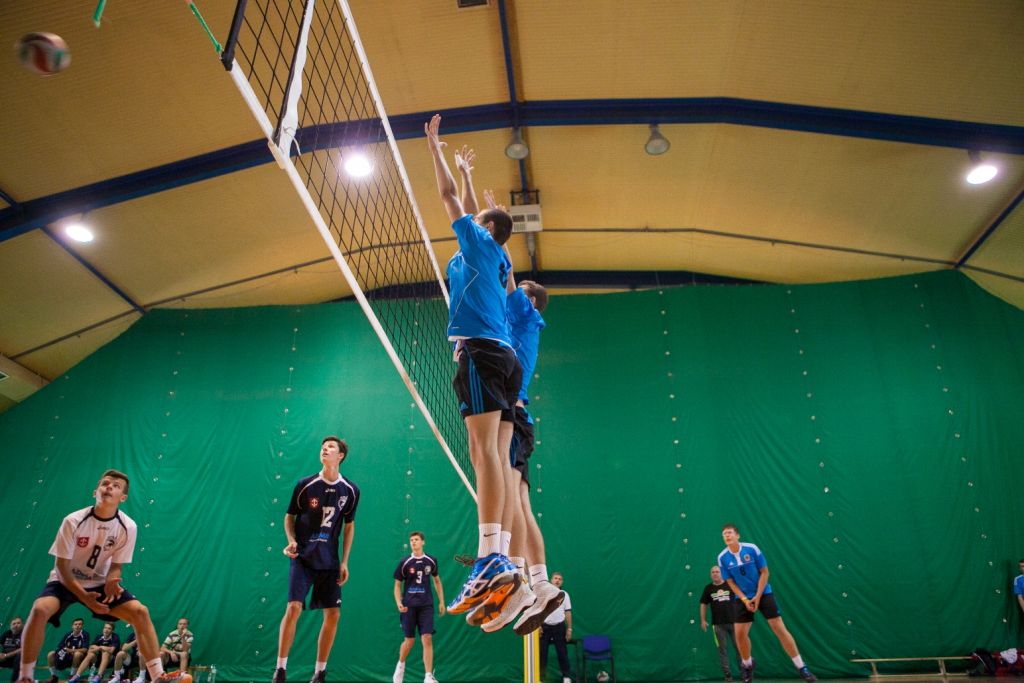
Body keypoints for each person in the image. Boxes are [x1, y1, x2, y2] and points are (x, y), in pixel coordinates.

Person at [449, 157, 564, 636]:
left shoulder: (519, 312)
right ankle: (530, 581)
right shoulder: (522, 319)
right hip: (516, 400)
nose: (514, 285)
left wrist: (492, 231)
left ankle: (514, 574)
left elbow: (506, 273)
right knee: (516, 496)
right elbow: (498, 261)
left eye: (522, 288)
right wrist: (475, 191)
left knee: (503, 479)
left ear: (529, 299)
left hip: (505, 390)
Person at [424, 114, 521, 618]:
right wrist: (469, 177)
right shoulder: (496, 257)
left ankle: (489, 558)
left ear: (486, 230)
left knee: (484, 455)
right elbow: (476, 212)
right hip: (499, 355)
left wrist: (434, 149)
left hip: (481, 352)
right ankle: (499, 556)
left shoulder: (482, 246)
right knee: (493, 457)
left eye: (480, 218)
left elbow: (447, 199)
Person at [15, 470, 190, 683]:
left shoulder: (128, 526)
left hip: (98, 583)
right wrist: (84, 596)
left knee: (140, 612)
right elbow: (61, 567)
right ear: (95, 491)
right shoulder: (73, 520)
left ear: (123, 497)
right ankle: (25, 676)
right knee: (39, 609)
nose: (109, 487)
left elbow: (116, 566)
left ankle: (157, 676)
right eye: (105, 483)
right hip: (66, 580)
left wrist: (111, 580)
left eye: (116, 486)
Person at [272, 437, 359, 683]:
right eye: (323, 447)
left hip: (329, 560)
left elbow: (349, 526)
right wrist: (291, 540)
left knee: (333, 614)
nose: (324, 449)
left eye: (330, 447)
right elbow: (289, 517)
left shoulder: (351, 490)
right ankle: (280, 669)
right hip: (303, 557)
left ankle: (320, 672)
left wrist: (345, 561)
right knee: (293, 607)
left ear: (340, 456)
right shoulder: (305, 485)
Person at [717, 525, 816, 683]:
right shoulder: (722, 557)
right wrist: (745, 599)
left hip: (763, 593)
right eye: (724, 534)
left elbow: (765, 572)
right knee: (740, 634)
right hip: (742, 598)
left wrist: (757, 596)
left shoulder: (752, 549)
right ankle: (747, 665)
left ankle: (801, 667)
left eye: (729, 533)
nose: (727, 536)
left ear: (737, 535)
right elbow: (730, 582)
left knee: (779, 628)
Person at [391, 532, 444, 683]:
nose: (413, 542)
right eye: (411, 540)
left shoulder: (431, 560)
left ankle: (428, 676)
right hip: (409, 606)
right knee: (409, 641)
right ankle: (400, 666)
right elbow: (397, 585)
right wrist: (398, 602)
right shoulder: (405, 562)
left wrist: (441, 601)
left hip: (426, 605)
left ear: (423, 542)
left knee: (427, 638)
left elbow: (437, 581)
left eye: (416, 540)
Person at [700, 566, 739, 681]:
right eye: (713, 572)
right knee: (722, 649)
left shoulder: (730, 584)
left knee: (740, 648)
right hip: (717, 625)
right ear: (710, 574)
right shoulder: (708, 588)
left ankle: (745, 672)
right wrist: (703, 620)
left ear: (722, 573)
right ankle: (727, 675)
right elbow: (703, 604)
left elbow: (741, 597)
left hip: (735, 623)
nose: (715, 573)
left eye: (717, 571)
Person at [538, 573, 572, 683]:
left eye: (560, 579)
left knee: (562, 653)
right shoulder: (543, 593)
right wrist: (538, 626)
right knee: (542, 654)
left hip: (559, 627)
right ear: (551, 580)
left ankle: (566, 677)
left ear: (562, 582)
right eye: (555, 578)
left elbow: (568, 612)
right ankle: (541, 679)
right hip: (544, 628)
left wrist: (569, 629)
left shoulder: (565, 595)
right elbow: (538, 611)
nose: (557, 580)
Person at [46, 617, 90, 683]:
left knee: (77, 654)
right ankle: (54, 677)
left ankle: (72, 676)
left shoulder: (85, 634)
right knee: (50, 654)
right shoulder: (68, 635)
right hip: (67, 657)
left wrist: (71, 650)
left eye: (79, 624)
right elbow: (59, 647)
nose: (77, 626)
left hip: (79, 659)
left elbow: (85, 650)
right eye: (75, 624)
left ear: (82, 626)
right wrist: (65, 651)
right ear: (72, 626)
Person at [0, 617, 23, 682]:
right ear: (10, 626)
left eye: (18, 623)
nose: (16, 625)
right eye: (14, 624)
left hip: (18, 659)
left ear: (22, 625)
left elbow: (23, 649)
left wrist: (6, 655)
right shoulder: (7, 633)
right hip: (5, 659)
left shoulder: (25, 634)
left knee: (20, 655)